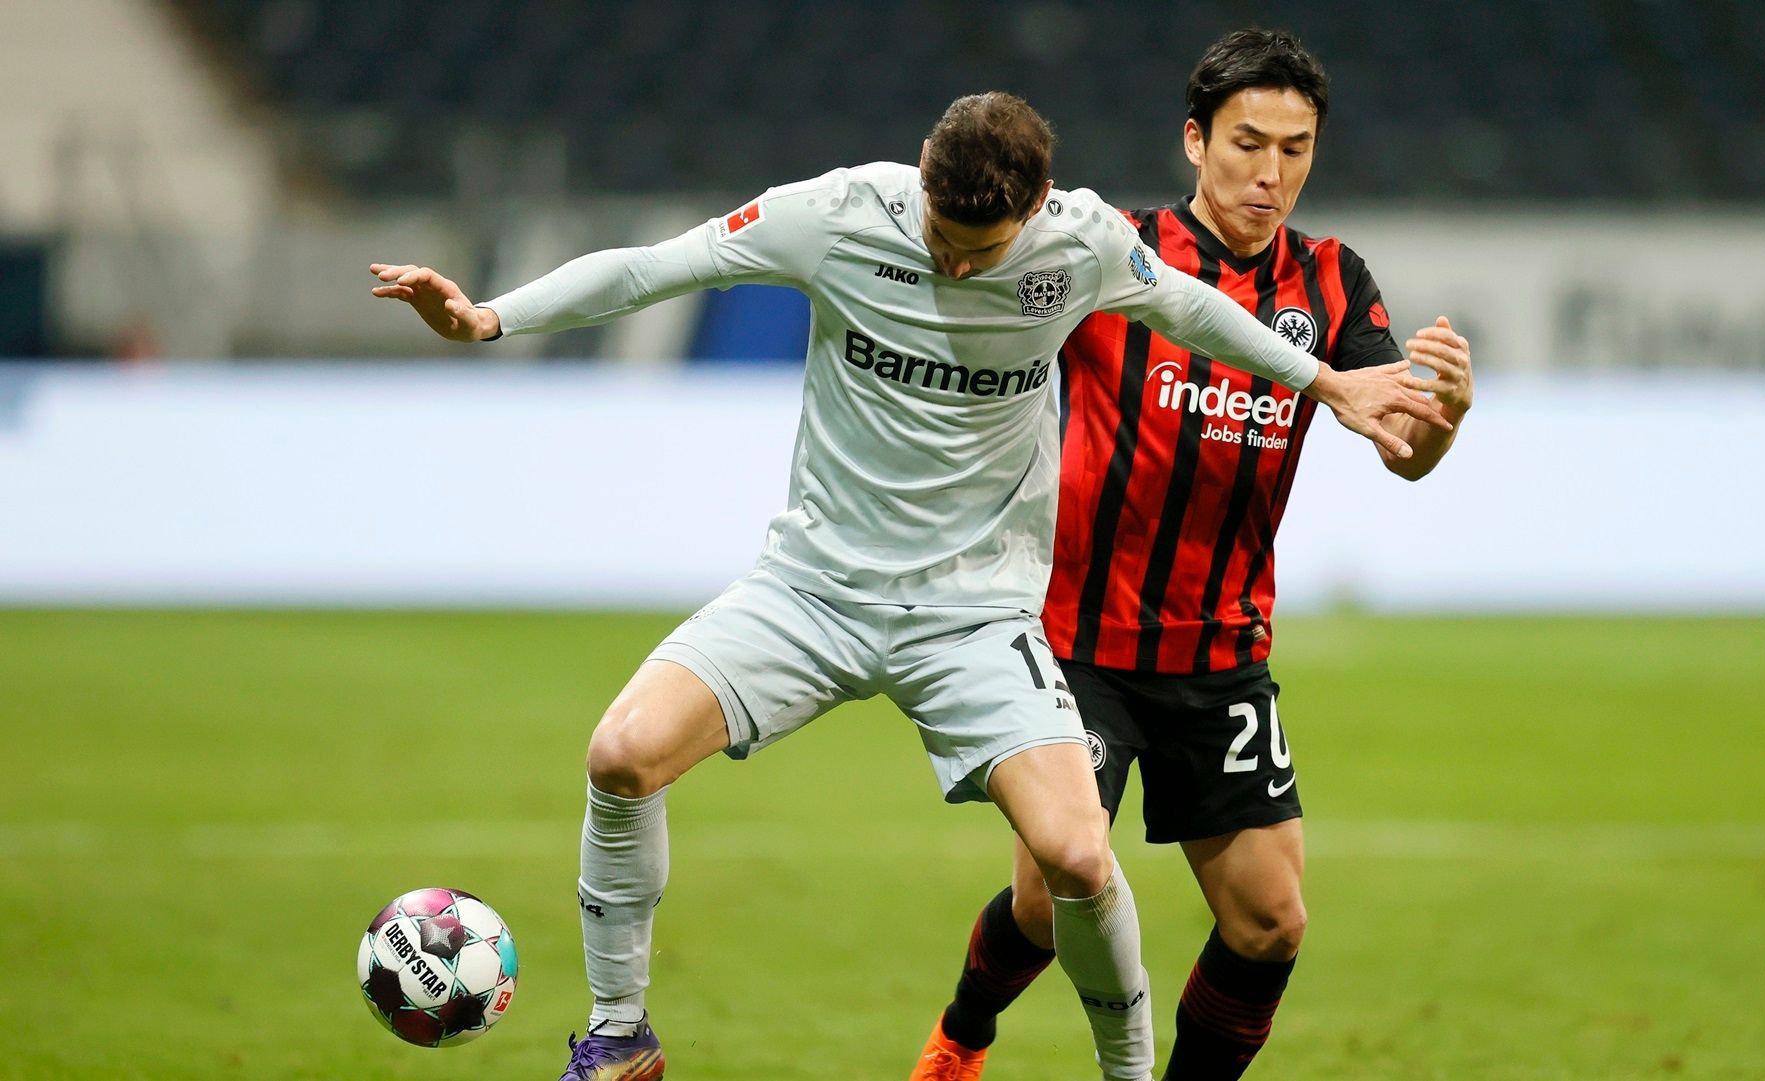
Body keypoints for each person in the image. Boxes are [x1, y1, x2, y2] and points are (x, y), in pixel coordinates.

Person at [370, 91, 1446, 1081]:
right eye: (941, 238)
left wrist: (1326, 380)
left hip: (977, 615)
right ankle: (619, 1038)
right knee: (621, 754)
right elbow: (657, 267)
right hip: (812, 590)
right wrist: (487, 319)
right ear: (923, 174)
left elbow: (1198, 314)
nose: (959, 264)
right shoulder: (837, 212)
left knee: (1075, 857)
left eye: (981, 250)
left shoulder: (1082, 243)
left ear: (1030, 211)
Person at [911, 31, 1474, 1081]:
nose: (1270, 175)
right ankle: (962, 1037)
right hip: (1077, 644)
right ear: (1194, 140)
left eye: (1295, 149)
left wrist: (1444, 417)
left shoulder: (1334, 281)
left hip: (1220, 657)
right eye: (1247, 143)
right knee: (1048, 897)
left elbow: (1404, 451)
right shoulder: (1111, 249)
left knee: (1270, 920)